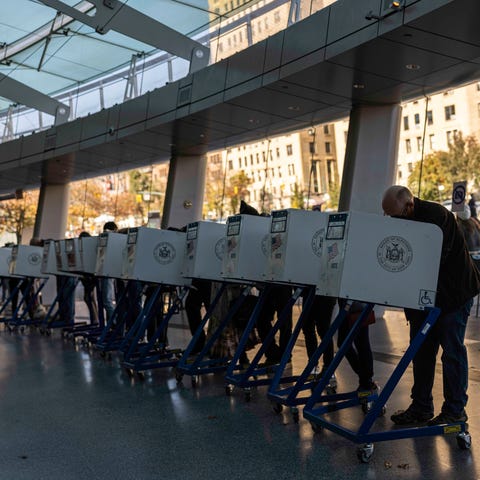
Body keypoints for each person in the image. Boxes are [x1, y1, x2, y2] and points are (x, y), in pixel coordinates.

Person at [382, 185, 480, 425]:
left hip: (453, 293)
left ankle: (455, 411)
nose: (391, 221)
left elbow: (433, 259)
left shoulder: (437, 217)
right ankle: (421, 407)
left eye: (394, 215)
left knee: (452, 351)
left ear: (409, 205)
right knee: (422, 352)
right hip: (425, 297)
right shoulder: (402, 220)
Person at [100, 221, 118, 323]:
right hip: (106, 272)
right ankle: (112, 323)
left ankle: (114, 323)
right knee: (107, 301)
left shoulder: (110, 240)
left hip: (108, 273)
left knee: (107, 301)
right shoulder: (109, 240)